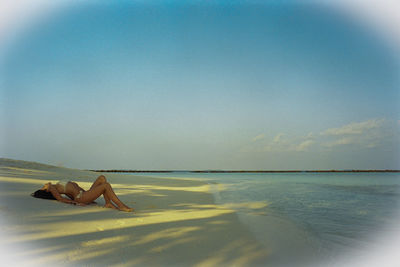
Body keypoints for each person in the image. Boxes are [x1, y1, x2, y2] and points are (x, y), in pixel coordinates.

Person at [32, 175, 133, 212]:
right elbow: (61, 199)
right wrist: (76, 203)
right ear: (44, 190)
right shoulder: (52, 188)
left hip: (84, 194)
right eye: (43, 187)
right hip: (81, 197)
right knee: (106, 185)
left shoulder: (56, 186)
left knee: (102, 178)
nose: (44, 185)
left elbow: (68, 194)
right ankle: (121, 206)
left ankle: (108, 203)